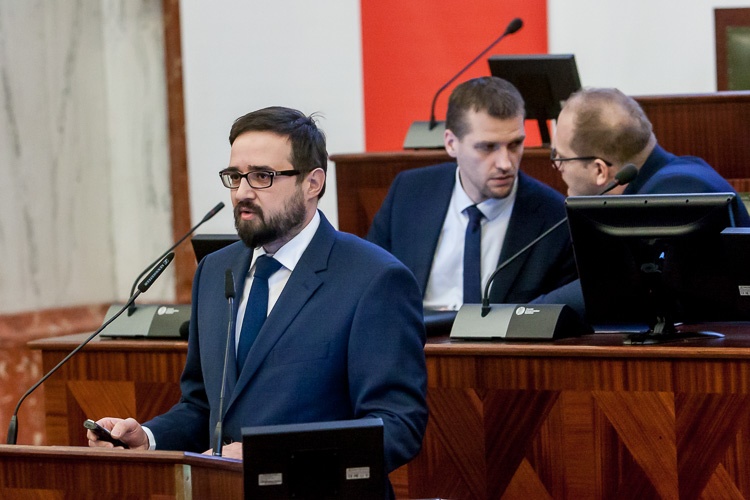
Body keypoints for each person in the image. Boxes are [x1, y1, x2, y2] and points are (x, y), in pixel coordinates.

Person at [88, 106, 428, 484]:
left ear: (313, 183)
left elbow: (397, 426)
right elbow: (203, 406)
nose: (242, 193)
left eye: (262, 176)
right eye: (235, 176)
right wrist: (149, 438)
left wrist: (272, 457)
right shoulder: (215, 271)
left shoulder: (375, 279)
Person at [534, 87, 750, 315]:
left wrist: (526, 315)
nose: (558, 166)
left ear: (599, 170)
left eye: (561, 157)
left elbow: (614, 285)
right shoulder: (680, 174)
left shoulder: (674, 192)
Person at [367, 76, 576, 311]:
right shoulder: (409, 192)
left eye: (515, 145)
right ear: (451, 143)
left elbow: (561, 317)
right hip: (416, 331)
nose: (505, 163)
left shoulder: (555, 218)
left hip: (504, 336)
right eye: (487, 147)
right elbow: (370, 281)